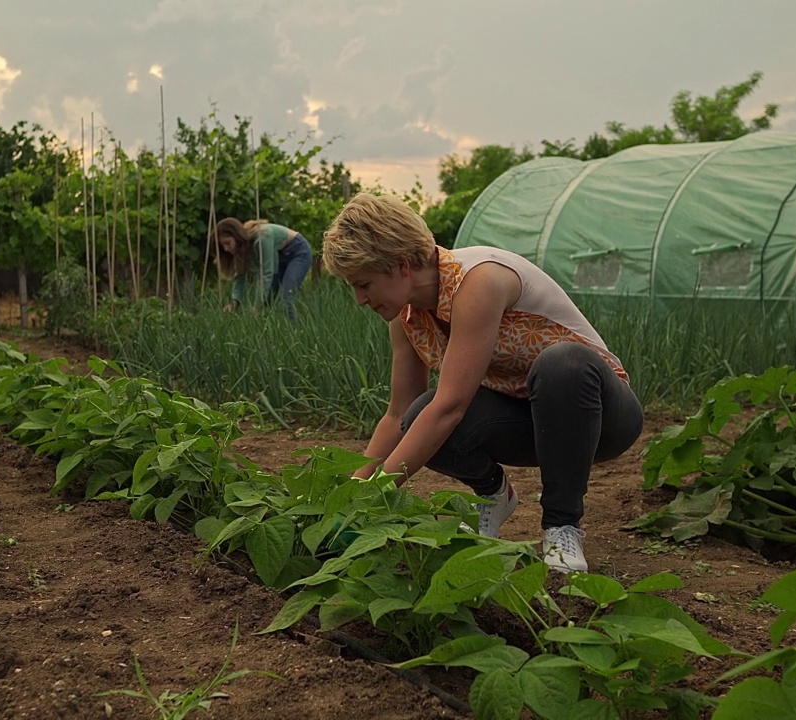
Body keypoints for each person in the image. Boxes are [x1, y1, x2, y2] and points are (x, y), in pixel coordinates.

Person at [321, 193, 643, 573]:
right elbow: (395, 416)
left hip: (599, 417)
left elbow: (452, 406)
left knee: (562, 363)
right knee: (416, 415)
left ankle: (561, 525)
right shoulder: (406, 318)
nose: (359, 299)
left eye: (364, 284)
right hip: (529, 423)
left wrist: (376, 494)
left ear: (401, 265)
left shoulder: (479, 280)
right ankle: (493, 495)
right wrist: (348, 496)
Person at [213, 217, 313, 320]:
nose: (226, 249)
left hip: (298, 252)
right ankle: (273, 329)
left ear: (237, 236)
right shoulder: (242, 248)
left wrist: (256, 307)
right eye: (223, 246)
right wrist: (235, 302)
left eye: (228, 243)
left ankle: (294, 330)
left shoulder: (262, 238)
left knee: (287, 297)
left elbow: (266, 273)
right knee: (268, 298)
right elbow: (240, 275)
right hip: (279, 256)